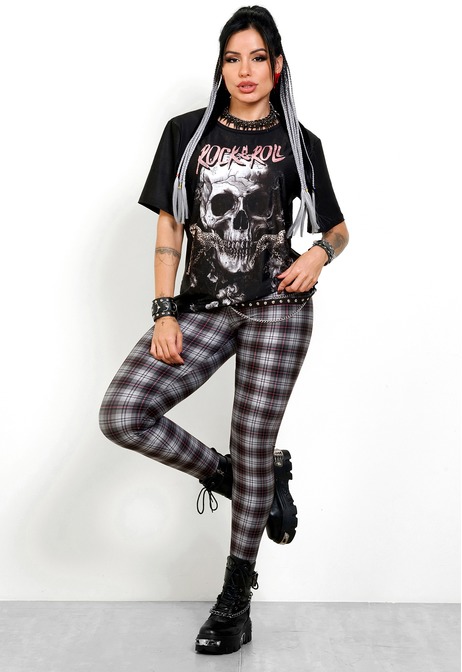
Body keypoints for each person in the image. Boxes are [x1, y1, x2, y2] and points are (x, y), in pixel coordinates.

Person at [99, 4, 349, 656]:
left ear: (277, 65)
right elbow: (169, 228)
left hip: (279, 311)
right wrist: (164, 312)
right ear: (221, 65)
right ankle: (240, 476)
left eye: (257, 58)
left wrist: (318, 255)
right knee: (124, 412)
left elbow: (337, 229)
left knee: (252, 436)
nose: (245, 70)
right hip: (204, 308)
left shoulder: (300, 142)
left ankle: (235, 597)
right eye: (233, 58)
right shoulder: (186, 134)